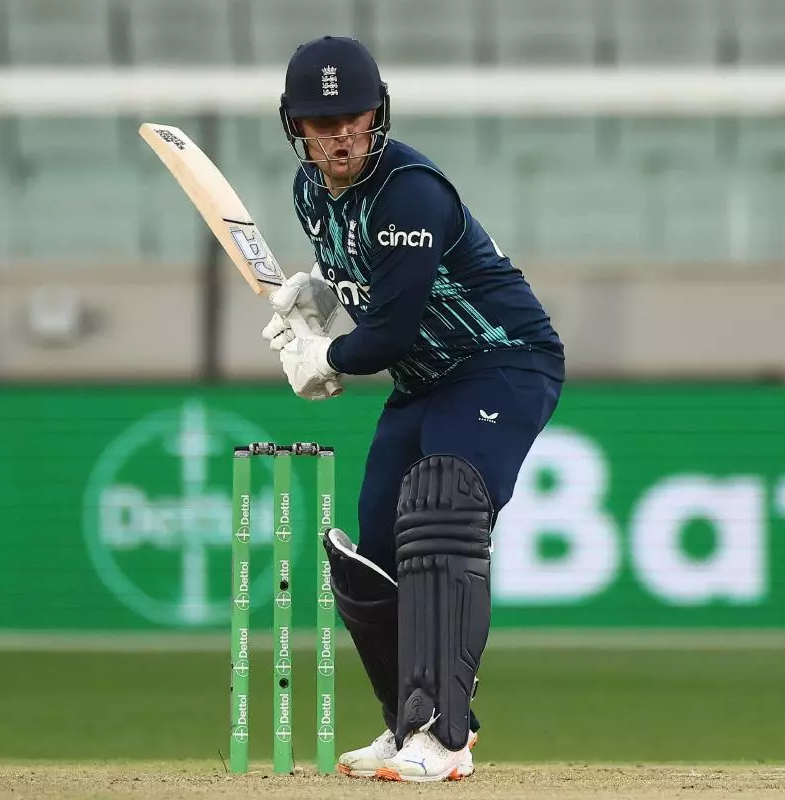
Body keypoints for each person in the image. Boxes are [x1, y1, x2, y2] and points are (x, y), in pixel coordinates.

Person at [260, 35, 565, 782]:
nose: (339, 135)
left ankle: (446, 737)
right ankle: (407, 724)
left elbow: (389, 328)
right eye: (320, 121)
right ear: (294, 125)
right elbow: (378, 290)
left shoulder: (410, 191)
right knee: (372, 551)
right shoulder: (310, 194)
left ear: (378, 113)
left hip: (501, 362)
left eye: (353, 117)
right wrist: (321, 303)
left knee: (443, 504)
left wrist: (323, 356)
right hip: (425, 379)